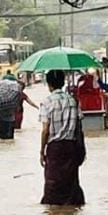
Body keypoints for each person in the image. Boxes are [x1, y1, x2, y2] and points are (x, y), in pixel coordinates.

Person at [39, 69, 85, 206]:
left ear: (49, 85)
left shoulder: (47, 102)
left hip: (55, 147)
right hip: (71, 146)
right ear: (63, 82)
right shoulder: (73, 101)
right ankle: (72, 210)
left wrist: (42, 151)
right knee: (71, 180)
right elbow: (79, 127)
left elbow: (45, 130)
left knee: (53, 181)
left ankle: (54, 210)